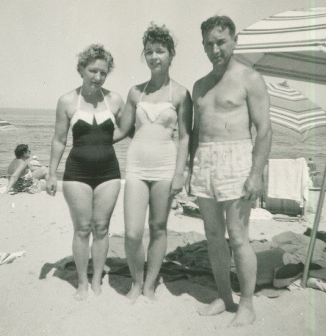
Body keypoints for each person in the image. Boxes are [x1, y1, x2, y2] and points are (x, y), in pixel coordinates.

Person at [189, 16, 272, 327]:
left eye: (220, 41)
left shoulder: (249, 78)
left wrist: (256, 173)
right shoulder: (200, 85)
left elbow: (264, 131)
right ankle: (224, 297)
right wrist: (189, 169)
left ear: (234, 40)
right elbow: (197, 134)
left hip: (236, 158)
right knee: (212, 235)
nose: (215, 48)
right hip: (204, 161)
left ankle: (247, 304)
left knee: (238, 236)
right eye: (209, 43)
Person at [115, 23, 193, 303]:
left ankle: (148, 285)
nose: (154, 57)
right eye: (149, 52)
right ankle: (136, 281)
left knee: (159, 228)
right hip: (136, 167)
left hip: (165, 168)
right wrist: (91, 134)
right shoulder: (135, 92)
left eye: (160, 51)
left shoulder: (182, 94)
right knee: (133, 232)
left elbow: (185, 137)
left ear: (171, 54)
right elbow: (122, 130)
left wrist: (180, 173)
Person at [46, 44, 125, 300]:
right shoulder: (67, 101)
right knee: (82, 228)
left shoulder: (114, 100)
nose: (98, 77)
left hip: (109, 173)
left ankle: (97, 279)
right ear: (81, 69)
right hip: (76, 172)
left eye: (103, 72)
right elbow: (59, 139)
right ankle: (82, 282)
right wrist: (51, 173)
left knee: (101, 227)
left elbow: (128, 128)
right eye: (93, 70)